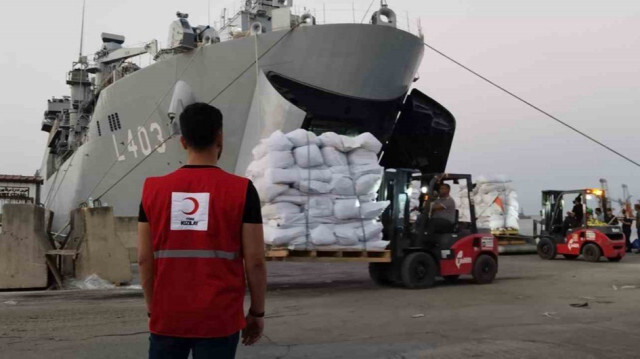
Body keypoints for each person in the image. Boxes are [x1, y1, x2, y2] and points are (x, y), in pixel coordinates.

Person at [138, 103, 266, 359]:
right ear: (219, 137)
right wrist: (257, 313)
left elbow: (144, 259)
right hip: (220, 317)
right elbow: (255, 261)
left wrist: (154, 309)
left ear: (183, 141)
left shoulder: (153, 190)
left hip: (168, 315)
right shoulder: (241, 190)